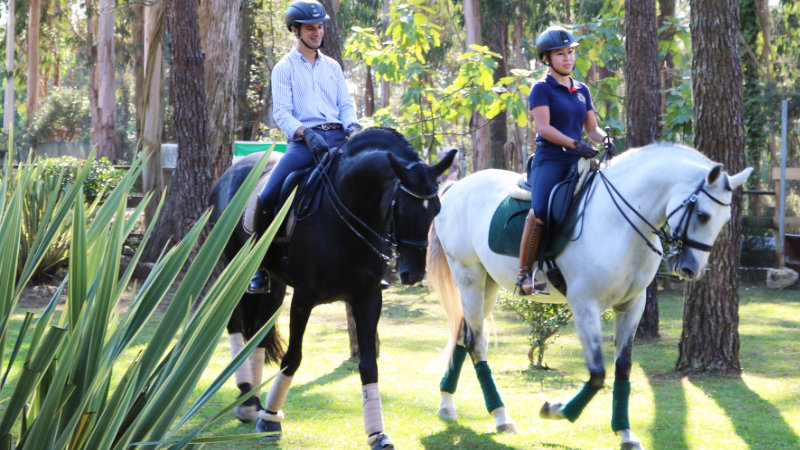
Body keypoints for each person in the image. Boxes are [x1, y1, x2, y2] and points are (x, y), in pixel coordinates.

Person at [249, 0, 361, 294]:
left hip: (337, 139)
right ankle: (259, 266)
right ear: (295, 30)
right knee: (268, 196)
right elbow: (282, 113)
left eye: (320, 27)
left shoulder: (333, 67)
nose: (316, 32)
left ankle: (367, 264)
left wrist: (352, 125)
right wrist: (305, 132)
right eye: (310, 28)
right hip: (303, 145)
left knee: (371, 184)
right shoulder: (283, 69)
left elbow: (345, 105)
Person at [516, 25, 616, 295]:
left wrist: (605, 141)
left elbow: (592, 129)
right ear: (547, 59)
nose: (567, 58)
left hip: (578, 159)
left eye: (570, 52)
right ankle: (524, 276)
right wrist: (576, 144)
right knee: (540, 212)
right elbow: (544, 128)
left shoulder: (582, 89)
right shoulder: (541, 89)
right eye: (560, 54)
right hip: (550, 160)